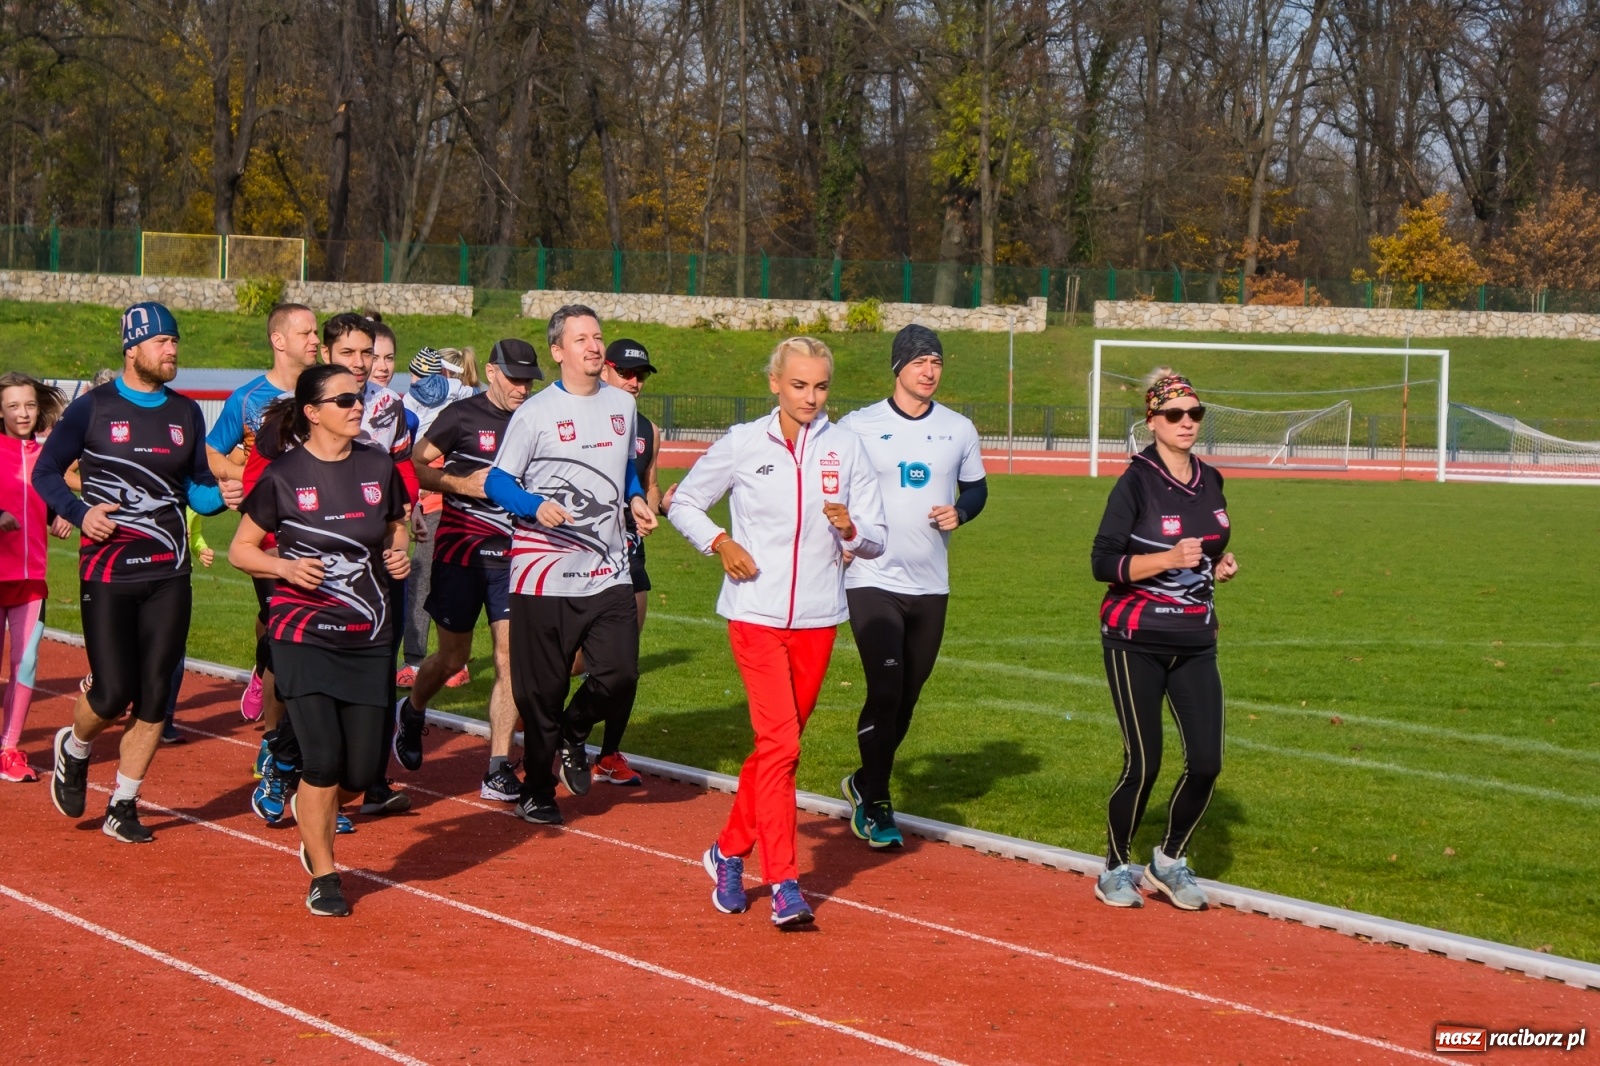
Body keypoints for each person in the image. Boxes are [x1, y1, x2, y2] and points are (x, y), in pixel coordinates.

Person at [668, 336, 886, 928]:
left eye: (820, 386)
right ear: (774, 383)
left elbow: (876, 537)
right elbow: (683, 501)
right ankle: (786, 881)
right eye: (799, 385)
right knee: (783, 746)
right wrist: (720, 541)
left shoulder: (847, 447)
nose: (810, 397)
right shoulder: (743, 442)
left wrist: (851, 529)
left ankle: (727, 851)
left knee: (774, 750)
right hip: (754, 613)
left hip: (818, 618)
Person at [34, 302, 240, 843]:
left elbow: (195, 486)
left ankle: (123, 803)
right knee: (110, 693)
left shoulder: (186, 413)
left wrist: (222, 498)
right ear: (132, 349)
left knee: (154, 696)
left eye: (175, 341)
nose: (172, 351)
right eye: (161, 342)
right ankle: (74, 748)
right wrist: (81, 514)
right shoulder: (93, 409)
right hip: (108, 572)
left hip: (169, 572)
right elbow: (46, 472)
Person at [229, 364, 411, 917]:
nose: (359, 406)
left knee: (358, 775)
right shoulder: (283, 476)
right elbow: (242, 549)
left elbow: (394, 525)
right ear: (312, 412)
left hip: (370, 635)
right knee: (324, 760)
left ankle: (317, 833)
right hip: (302, 633)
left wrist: (398, 552)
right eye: (345, 400)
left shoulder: (378, 465)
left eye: (358, 398)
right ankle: (325, 872)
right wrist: (283, 567)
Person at [481, 304, 657, 826]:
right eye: (582, 338)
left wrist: (634, 500)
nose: (594, 345)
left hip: (608, 569)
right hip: (543, 576)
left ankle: (576, 732)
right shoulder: (533, 414)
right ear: (558, 351)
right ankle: (538, 790)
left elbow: (624, 468)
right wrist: (534, 506)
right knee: (542, 691)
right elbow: (497, 481)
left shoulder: (621, 407)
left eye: (597, 336)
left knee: (620, 675)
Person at [1090, 368, 1238, 911]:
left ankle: (1168, 860)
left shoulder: (1212, 477)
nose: (1187, 423)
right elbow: (1103, 561)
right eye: (1175, 414)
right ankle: (1113, 867)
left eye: (1195, 414)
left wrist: (1219, 562)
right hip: (1137, 638)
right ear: (1152, 420)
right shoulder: (1135, 482)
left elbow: (1211, 539)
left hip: (1197, 637)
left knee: (1206, 763)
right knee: (1144, 762)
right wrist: (1168, 560)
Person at [836, 324, 987, 847]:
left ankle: (861, 779)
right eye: (920, 361)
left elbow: (977, 487)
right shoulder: (857, 426)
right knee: (885, 687)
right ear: (898, 367)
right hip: (870, 575)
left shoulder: (959, 429)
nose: (929, 371)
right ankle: (876, 802)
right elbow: (829, 481)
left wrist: (961, 512)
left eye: (937, 362)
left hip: (931, 582)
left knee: (907, 696)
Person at [391, 339, 542, 803]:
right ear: (493, 372)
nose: (522, 388)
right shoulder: (462, 416)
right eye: (515, 378)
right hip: (460, 552)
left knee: (508, 659)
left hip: (512, 557)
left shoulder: (536, 420)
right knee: (454, 658)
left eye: (528, 380)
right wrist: (460, 483)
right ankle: (413, 709)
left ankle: (498, 766)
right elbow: (418, 465)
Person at [205, 302, 318, 763]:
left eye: (316, 332)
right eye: (305, 332)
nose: (314, 339)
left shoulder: (325, 389)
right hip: (267, 536)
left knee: (297, 636)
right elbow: (213, 451)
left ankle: (262, 672)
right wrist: (239, 477)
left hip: (318, 530)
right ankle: (274, 743)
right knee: (282, 634)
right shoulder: (248, 398)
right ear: (279, 340)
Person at [560, 338, 661, 788]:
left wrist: (648, 507)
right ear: (605, 371)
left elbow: (650, 482)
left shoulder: (647, 429)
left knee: (626, 661)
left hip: (629, 555)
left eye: (641, 376)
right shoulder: (579, 417)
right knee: (571, 660)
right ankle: (553, 732)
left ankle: (610, 752)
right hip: (578, 552)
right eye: (626, 373)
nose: (634, 382)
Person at [0, 373, 72, 781]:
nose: (23, 413)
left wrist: (60, 514)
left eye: (29, 405)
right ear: (1, 411)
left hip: (31, 580)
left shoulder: (46, 457)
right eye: (14, 406)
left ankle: (9, 749)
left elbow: (49, 500)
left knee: (24, 665)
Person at [399, 346, 471, 689]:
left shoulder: (461, 401)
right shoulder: (411, 403)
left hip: (449, 505)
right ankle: (426, 662)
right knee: (430, 579)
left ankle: (444, 662)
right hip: (430, 504)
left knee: (439, 581)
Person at [159, 508, 216, 745]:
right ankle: (103, 681)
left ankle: (165, 720)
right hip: (145, 579)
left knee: (176, 654)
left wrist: (201, 549)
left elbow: (195, 535)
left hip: (179, 581)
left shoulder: (193, 502)